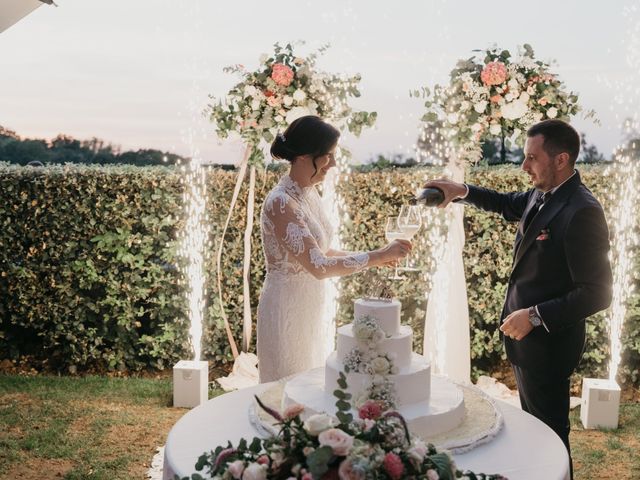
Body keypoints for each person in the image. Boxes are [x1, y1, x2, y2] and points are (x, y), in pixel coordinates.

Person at [425, 119, 612, 478]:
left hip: (549, 346)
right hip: (527, 345)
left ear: (560, 159)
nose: (524, 166)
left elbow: (597, 292)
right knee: (533, 435)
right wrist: (460, 190)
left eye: (531, 158)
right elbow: (505, 203)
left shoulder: (582, 210)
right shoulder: (542, 194)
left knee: (550, 440)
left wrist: (535, 315)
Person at [257, 115, 411, 383]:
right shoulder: (281, 203)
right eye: (328, 156)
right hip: (286, 311)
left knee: (312, 387)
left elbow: (323, 252)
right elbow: (318, 265)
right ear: (305, 156)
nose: (334, 163)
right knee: (287, 392)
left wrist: (377, 256)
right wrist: (380, 256)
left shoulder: (308, 193)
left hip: (311, 306)